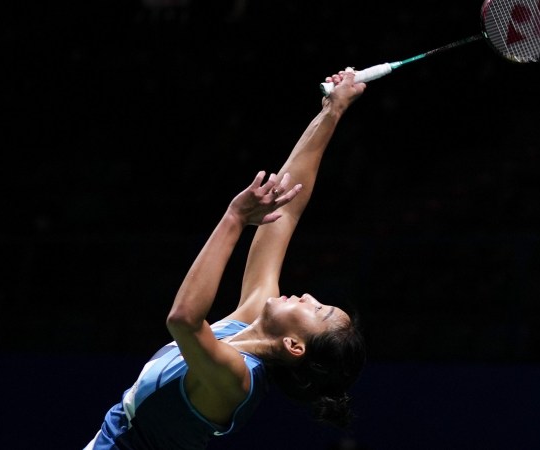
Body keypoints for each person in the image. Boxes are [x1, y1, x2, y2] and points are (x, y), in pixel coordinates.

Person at [84, 69, 369, 449]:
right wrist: (332, 112)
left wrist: (234, 217)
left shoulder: (237, 379)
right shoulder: (246, 325)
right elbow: (285, 210)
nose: (308, 297)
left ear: (294, 346)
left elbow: (184, 320)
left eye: (317, 311)